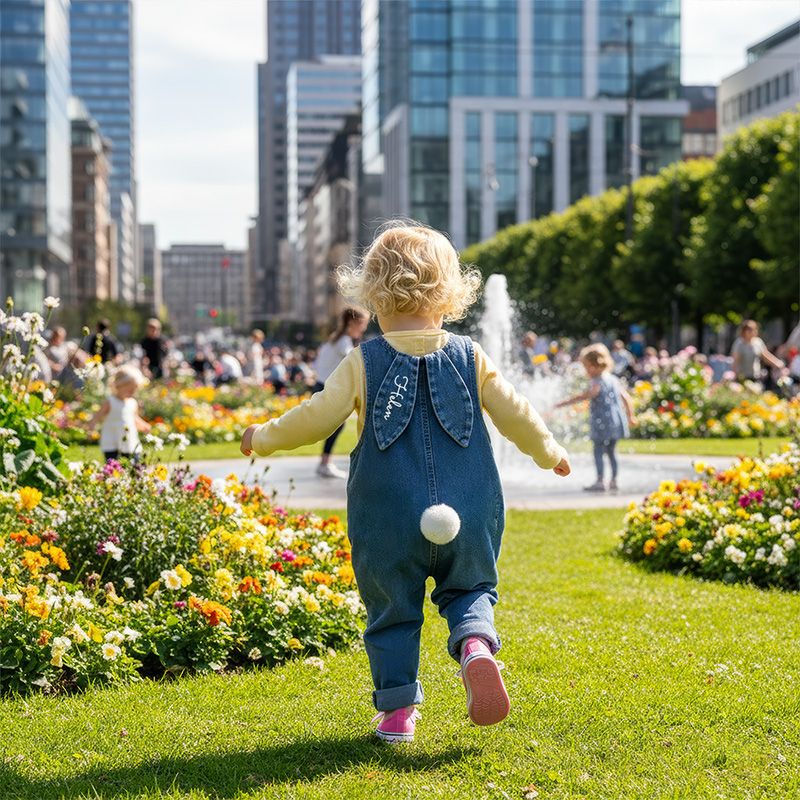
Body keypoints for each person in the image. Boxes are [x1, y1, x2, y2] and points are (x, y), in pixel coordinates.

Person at [241, 223, 571, 743]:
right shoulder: (472, 355)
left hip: (386, 513)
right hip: (468, 508)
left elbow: (315, 417)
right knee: (470, 588)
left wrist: (262, 437)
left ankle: (398, 714)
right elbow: (516, 412)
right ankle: (475, 646)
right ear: (450, 291)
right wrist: (549, 451)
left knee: (392, 606)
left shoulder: (363, 362)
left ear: (372, 291)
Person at [554, 343, 635, 494]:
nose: (585, 371)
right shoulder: (613, 379)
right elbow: (626, 398)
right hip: (616, 421)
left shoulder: (597, 381)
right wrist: (631, 416)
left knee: (598, 450)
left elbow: (588, 395)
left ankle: (600, 480)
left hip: (602, 422)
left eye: (585, 367)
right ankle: (614, 480)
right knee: (611, 451)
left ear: (593, 366)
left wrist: (565, 403)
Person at [311, 307, 369, 478]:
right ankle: (324, 463)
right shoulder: (343, 341)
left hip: (321, 385)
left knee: (336, 425)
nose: (364, 328)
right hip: (326, 387)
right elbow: (355, 360)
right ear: (353, 322)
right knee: (336, 425)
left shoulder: (335, 338)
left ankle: (324, 461)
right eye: (363, 324)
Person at [86, 365, 151, 463]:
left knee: (134, 464)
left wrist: (144, 426)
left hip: (129, 441)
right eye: (130, 390)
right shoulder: (110, 402)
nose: (132, 393)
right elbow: (97, 417)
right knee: (113, 466)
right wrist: (90, 429)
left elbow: (133, 418)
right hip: (112, 441)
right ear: (118, 386)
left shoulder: (132, 403)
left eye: (134, 390)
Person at [730, 319, 784, 388]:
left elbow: (766, 356)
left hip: (755, 377)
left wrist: (778, 364)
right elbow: (735, 362)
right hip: (742, 377)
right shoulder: (739, 343)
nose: (753, 332)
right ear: (744, 331)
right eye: (750, 330)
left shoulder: (758, 342)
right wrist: (733, 377)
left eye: (754, 329)